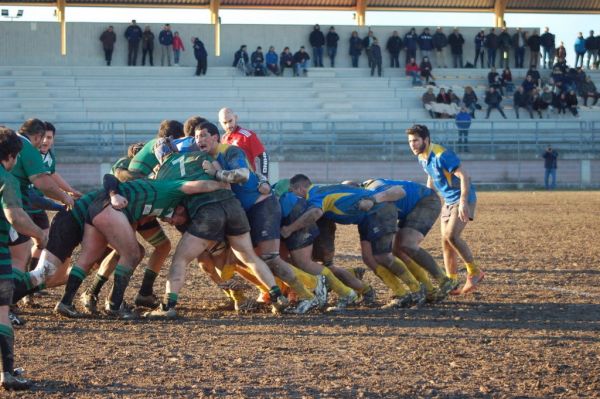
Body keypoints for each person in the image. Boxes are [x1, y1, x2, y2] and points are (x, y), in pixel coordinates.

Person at [195, 124, 320, 314]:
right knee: (243, 258)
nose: (200, 140)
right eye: (197, 137)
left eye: (204, 135)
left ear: (215, 137)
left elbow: (243, 174)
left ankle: (311, 292)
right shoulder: (206, 158)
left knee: (271, 258)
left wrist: (217, 174)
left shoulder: (230, 151)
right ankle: (274, 293)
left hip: (262, 207)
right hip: (244, 212)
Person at [288, 175, 426, 308]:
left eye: (292, 192)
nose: (293, 197)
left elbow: (315, 213)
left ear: (300, 189)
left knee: (383, 256)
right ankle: (384, 292)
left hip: (377, 212)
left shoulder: (314, 195)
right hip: (365, 218)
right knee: (369, 259)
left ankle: (415, 291)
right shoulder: (322, 189)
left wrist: (289, 229)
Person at [406, 124, 483, 294]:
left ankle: (474, 272)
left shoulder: (442, 154)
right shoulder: (422, 157)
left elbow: (464, 175)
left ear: (426, 139)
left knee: (451, 235)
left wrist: (463, 201)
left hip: (462, 198)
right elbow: (431, 176)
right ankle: (452, 282)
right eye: (410, 141)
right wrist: (428, 196)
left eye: (416, 140)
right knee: (445, 241)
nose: (412, 144)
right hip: (448, 201)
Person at [0, 127, 48, 391]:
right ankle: (7, 374)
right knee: (2, 314)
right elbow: (15, 217)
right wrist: (41, 235)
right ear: (12, 155)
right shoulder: (6, 178)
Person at [362, 178, 456, 302]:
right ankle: (428, 288)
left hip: (426, 201)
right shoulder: (368, 189)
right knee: (398, 249)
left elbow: (399, 193)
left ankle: (445, 280)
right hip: (413, 205)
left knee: (408, 244)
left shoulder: (373, 189)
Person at [218, 108, 269, 178]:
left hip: (248, 179)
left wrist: (264, 177)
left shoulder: (247, 135)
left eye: (230, 121)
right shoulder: (223, 139)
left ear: (235, 118)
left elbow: (263, 155)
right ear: (220, 122)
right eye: (225, 123)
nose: (228, 125)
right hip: (230, 179)